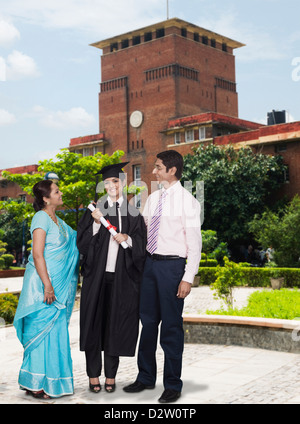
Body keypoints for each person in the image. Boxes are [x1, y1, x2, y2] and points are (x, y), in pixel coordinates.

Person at [123, 150, 202, 403]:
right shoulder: (153, 198)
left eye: (158, 167)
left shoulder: (188, 201)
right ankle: (145, 377)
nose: (153, 171)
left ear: (172, 171)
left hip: (172, 268)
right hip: (149, 265)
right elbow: (144, 233)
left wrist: (188, 277)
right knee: (147, 324)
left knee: (170, 327)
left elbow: (195, 243)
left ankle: (172, 384)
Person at [77, 162, 147, 394]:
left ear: (123, 183)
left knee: (115, 326)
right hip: (96, 279)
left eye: (115, 181)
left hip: (121, 280)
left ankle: (111, 375)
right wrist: (97, 225)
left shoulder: (133, 213)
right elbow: (83, 245)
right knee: (93, 324)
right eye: (106, 183)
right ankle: (93, 375)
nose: (111, 186)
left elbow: (141, 246)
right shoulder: (94, 210)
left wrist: (127, 238)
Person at [13, 180, 79, 399]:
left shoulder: (59, 221)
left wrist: (94, 217)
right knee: (41, 334)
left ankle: (53, 381)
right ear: (45, 198)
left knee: (56, 333)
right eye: (57, 191)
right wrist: (47, 286)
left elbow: (77, 241)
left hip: (58, 287)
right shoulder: (40, 218)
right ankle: (36, 383)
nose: (61, 193)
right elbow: (38, 254)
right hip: (43, 287)